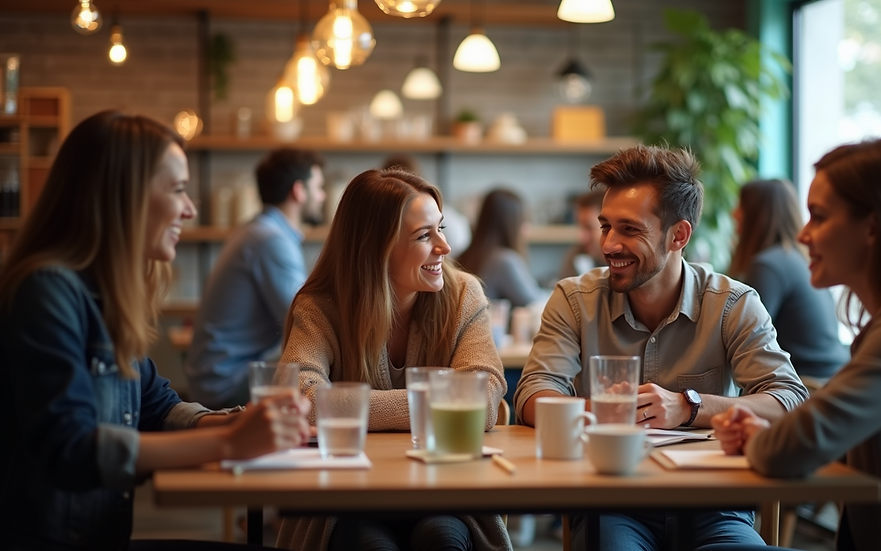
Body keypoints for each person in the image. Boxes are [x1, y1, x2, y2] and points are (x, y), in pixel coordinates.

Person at [0, 110, 309, 551]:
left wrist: (225, 421)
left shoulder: (102, 292)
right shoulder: (48, 291)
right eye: (178, 189)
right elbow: (70, 450)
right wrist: (227, 441)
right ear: (122, 197)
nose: (190, 208)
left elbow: (155, 403)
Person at [514, 144, 808, 551]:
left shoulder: (732, 304)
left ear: (679, 235)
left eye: (630, 229)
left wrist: (688, 406)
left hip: (714, 504)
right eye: (605, 226)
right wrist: (609, 410)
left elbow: (790, 398)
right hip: (610, 503)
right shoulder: (575, 299)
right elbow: (533, 393)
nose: (609, 245)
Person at [711, 138, 881, 551]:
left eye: (818, 217)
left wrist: (765, 441)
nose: (803, 234)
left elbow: (792, 451)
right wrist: (767, 434)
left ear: (873, 226)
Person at [274, 168, 510, 551]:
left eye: (441, 228)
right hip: (348, 495)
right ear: (375, 248)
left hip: (444, 489)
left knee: (442, 538)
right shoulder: (321, 307)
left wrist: (347, 406)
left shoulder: (464, 294)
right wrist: (431, 405)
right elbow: (301, 400)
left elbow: (481, 400)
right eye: (423, 235)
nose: (444, 247)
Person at [185, 148, 325, 408]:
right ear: (298, 191)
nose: (323, 196)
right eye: (318, 187)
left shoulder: (258, 231)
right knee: (323, 385)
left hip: (216, 375)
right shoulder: (272, 240)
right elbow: (303, 320)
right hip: (226, 383)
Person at [728, 179, 848, 379]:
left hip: (807, 385)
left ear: (757, 214)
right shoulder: (798, 259)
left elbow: (740, 340)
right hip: (832, 377)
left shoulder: (767, 266)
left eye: (740, 205)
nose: (735, 213)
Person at [457, 188, 549, 308]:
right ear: (511, 225)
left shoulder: (464, 255)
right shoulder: (504, 260)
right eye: (523, 221)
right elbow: (534, 301)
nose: (527, 229)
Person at [381, 153, 472, 257]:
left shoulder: (450, 218)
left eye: (440, 228)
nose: (446, 248)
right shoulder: (454, 219)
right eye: (424, 235)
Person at [557, 189, 606, 279]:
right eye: (580, 226)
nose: (581, 237)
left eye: (589, 228)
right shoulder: (576, 256)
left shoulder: (625, 263)